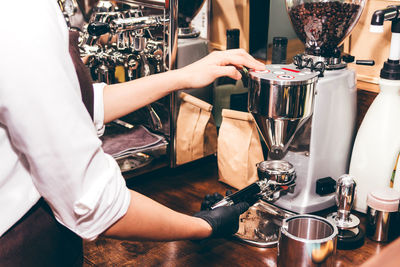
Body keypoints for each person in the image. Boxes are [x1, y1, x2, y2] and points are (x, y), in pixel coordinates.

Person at [0, 1, 266, 266]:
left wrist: (183, 76)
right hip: (21, 244)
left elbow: (75, 104)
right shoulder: (22, 13)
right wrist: (204, 225)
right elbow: (93, 201)